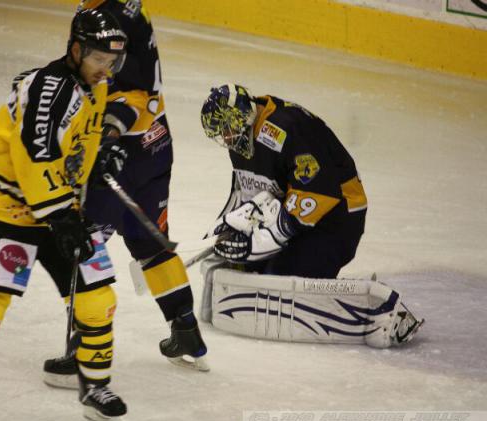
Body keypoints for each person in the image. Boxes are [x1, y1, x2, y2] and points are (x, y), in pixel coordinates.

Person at [0, 10, 129, 421]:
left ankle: (94, 387)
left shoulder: (96, 84)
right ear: (76, 50)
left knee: (98, 301)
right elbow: (35, 156)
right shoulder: (49, 90)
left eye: (112, 63)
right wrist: (60, 215)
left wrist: (97, 156)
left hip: (63, 211)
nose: (105, 70)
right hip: (12, 211)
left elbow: (76, 142)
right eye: (98, 61)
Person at [43, 0, 209, 388]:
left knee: (82, 242)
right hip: (156, 144)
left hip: (123, 146)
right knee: (149, 242)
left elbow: (130, 92)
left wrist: (108, 135)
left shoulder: (110, 17)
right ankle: (185, 329)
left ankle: (87, 347)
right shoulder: (126, 6)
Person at [198, 83, 423, 347]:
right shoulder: (241, 137)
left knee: (278, 277)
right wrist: (234, 228)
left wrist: (266, 239)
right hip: (297, 217)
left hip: (337, 219)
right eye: (221, 133)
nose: (226, 138)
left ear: (242, 116)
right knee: (244, 266)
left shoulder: (288, 129)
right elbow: (249, 191)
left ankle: (379, 311)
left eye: (227, 129)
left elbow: (319, 192)